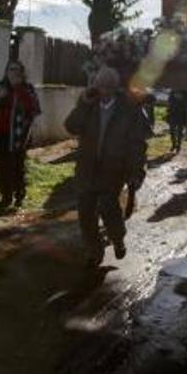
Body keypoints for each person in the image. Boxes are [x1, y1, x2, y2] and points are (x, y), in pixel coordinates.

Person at [64, 66, 151, 267]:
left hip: (113, 169)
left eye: (107, 87)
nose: (103, 92)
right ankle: (94, 251)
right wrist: (84, 104)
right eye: (100, 87)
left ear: (115, 88)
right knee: (85, 212)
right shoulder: (88, 104)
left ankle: (117, 238)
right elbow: (70, 126)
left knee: (108, 208)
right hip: (87, 168)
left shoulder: (129, 110)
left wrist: (137, 171)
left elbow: (137, 144)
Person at [0, 60, 41, 207]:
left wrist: (18, 89)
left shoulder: (27, 88)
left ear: (22, 72)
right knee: (1, 166)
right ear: (6, 72)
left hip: (19, 135)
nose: (14, 72)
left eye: (17, 70)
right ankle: (6, 196)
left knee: (17, 165)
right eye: (11, 69)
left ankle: (19, 193)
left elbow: (35, 108)